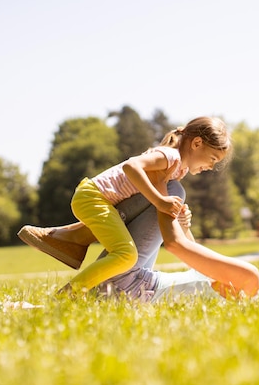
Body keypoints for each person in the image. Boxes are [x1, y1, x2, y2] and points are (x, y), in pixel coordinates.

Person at [19, 180, 259, 302]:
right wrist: (182, 225)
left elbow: (176, 248)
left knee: (172, 188)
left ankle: (73, 236)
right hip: (137, 285)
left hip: (130, 286)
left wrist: (169, 216)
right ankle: (74, 236)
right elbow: (198, 272)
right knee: (166, 196)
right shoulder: (252, 285)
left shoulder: (252, 281)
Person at [19, 116, 232, 292]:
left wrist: (178, 218)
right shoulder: (170, 156)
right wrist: (160, 202)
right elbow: (131, 166)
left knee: (127, 254)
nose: (211, 166)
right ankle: (69, 294)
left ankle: (73, 238)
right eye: (212, 158)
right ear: (196, 144)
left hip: (100, 200)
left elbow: (154, 196)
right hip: (93, 197)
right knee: (126, 255)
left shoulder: (179, 169)